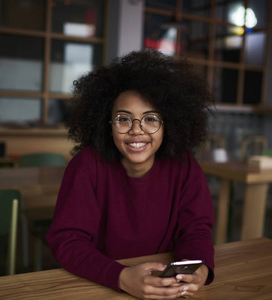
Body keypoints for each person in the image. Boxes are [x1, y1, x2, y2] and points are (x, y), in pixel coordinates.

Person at [47, 49, 215, 299]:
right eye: (124, 119)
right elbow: (68, 240)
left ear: (168, 124)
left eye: (150, 119)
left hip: (165, 289)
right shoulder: (87, 165)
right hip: (99, 285)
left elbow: (195, 229)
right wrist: (120, 277)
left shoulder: (184, 165)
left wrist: (199, 267)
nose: (137, 131)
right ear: (107, 124)